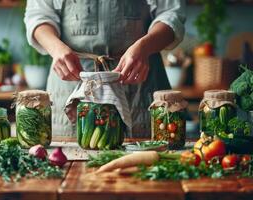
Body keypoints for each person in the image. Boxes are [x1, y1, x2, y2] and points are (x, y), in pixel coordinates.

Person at [24, 0, 186, 137]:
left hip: (139, 81)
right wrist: (55, 48)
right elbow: (38, 15)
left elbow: (172, 14)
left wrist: (145, 46)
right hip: (71, 84)